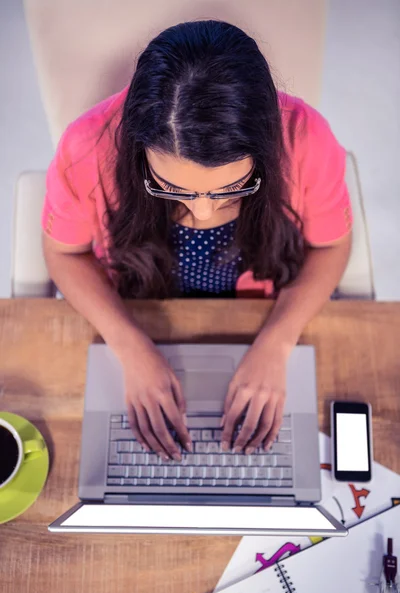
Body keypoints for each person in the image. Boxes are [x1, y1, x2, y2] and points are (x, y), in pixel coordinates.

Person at [42, 20, 353, 462]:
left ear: (264, 149)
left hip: (262, 309)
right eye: (173, 188)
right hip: (136, 305)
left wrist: (279, 340)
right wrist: (128, 346)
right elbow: (62, 253)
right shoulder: (84, 147)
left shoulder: (306, 137)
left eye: (231, 188)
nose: (203, 213)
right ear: (138, 147)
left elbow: (332, 245)